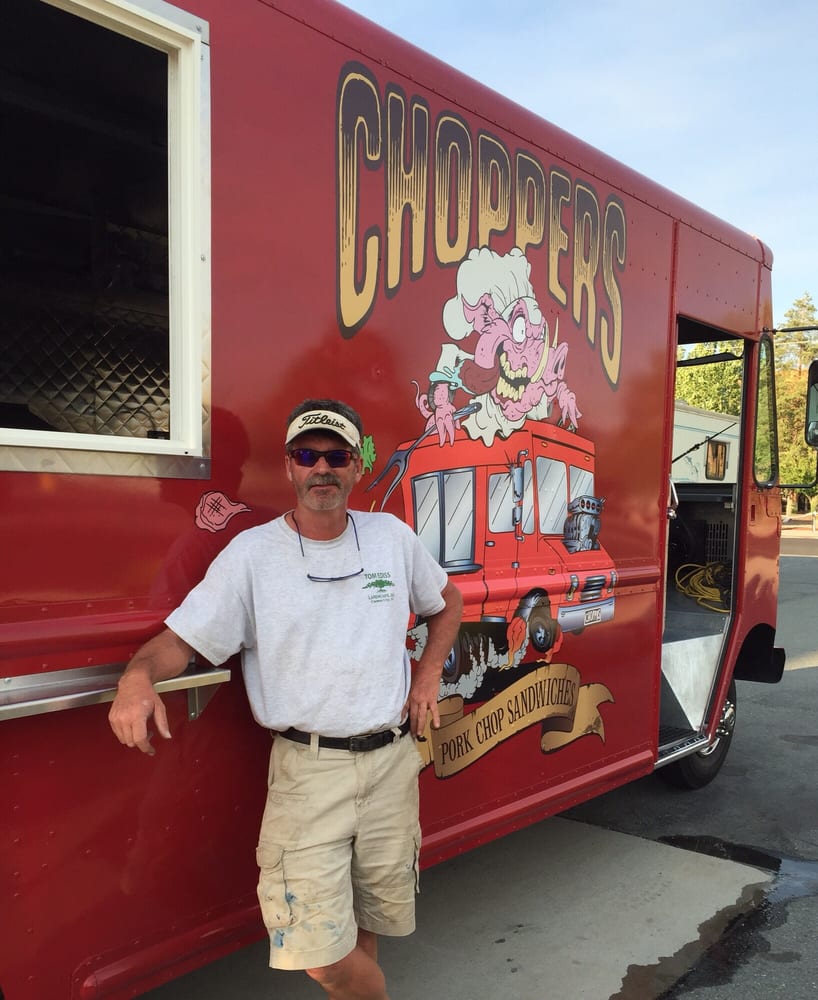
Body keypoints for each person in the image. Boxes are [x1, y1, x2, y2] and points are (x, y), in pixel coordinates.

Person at [108, 398, 463, 1000]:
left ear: (356, 467)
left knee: (366, 925)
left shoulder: (390, 538)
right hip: (308, 773)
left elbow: (446, 603)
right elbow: (181, 641)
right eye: (308, 455)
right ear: (289, 467)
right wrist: (136, 679)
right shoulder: (253, 556)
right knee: (320, 954)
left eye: (336, 455)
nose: (321, 468)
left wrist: (429, 675)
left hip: (392, 764)